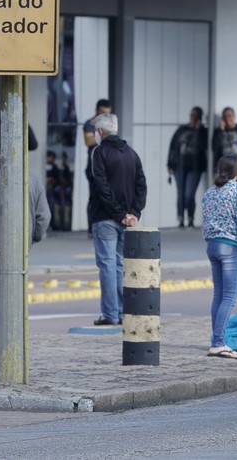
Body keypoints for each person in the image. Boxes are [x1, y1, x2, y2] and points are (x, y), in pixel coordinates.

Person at [0, 163, 51, 340]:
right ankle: (14, 330)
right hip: (20, 247)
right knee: (15, 286)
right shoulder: (34, 181)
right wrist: (34, 236)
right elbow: (43, 216)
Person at [89, 113, 147, 326]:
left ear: (101, 132)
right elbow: (141, 184)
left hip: (105, 217)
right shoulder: (131, 153)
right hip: (127, 218)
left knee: (107, 264)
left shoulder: (99, 153)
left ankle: (110, 314)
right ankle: (123, 311)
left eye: (96, 131)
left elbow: (102, 186)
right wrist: (134, 212)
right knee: (120, 264)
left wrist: (118, 213)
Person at [201, 155, 237, 358]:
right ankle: (218, 343)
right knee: (230, 297)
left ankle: (217, 339)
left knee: (218, 295)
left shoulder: (209, 192)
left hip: (212, 245)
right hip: (230, 246)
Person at [167, 106, 208, 228]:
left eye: (196, 116)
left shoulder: (203, 132)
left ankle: (190, 218)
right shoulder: (182, 130)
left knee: (189, 194)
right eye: (192, 115)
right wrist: (169, 164)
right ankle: (180, 218)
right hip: (179, 166)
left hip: (195, 167)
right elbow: (173, 147)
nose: (193, 118)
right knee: (180, 194)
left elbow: (205, 146)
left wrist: (198, 130)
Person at [83, 99, 112, 233]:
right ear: (96, 111)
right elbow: (88, 141)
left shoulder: (111, 124)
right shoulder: (91, 123)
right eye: (102, 113)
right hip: (94, 165)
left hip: (108, 165)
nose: (105, 116)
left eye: (107, 113)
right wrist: (104, 135)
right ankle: (91, 226)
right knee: (94, 195)